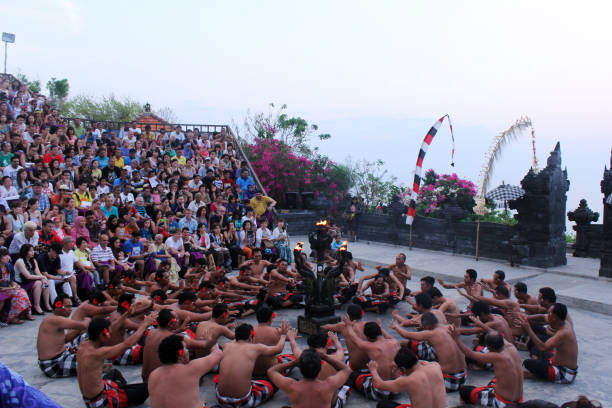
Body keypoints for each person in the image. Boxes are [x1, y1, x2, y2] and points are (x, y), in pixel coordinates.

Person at [76, 316, 154, 408]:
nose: (110, 336)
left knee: (115, 373)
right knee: (146, 388)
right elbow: (127, 344)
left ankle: (125, 392)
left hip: (89, 398)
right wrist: (144, 325)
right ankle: (125, 397)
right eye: (108, 334)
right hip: (100, 401)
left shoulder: (83, 344)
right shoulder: (98, 353)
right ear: (101, 335)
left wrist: (127, 313)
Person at [215, 321, 289, 407]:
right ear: (250, 337)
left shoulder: (226, 346)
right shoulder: (255, 348)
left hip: (220, 399)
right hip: (242, 402)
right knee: (273, 383)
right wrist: (283, 335)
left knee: (221, 378)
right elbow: (278, 349)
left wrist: (239, 332)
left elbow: (237, 339)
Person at [390, 312, 467, 391]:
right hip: (463, 377)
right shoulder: (449, 327)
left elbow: (406, 334)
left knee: (416, 366)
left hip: (449, 381)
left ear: (427, 326)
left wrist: (396, 326)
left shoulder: (431, 333)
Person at [452, 329, 524, 407]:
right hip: (519, 399)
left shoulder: (496, 356)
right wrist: (480, 324)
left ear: (489, 347)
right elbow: (495, 333)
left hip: (502, 402)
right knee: (496, 379)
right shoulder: (512, 347)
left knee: (464, 391)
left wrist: (456, 338)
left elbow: (470, 354)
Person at [148, 335, 224, 408]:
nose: (188, 351)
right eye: (186, 348)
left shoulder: (153, 375)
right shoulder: (191, 369)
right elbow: (218, 354)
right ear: (179, 356)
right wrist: (213, 343)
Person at [268, 347, 352, 408]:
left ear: (300, 367)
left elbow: (271, 371)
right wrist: (325, 357)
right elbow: (346, 369)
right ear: (319, 367)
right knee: (345, 388)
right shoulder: (328, 385)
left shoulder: (291, 385)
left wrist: (292, 363)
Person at [519, 303, 578, 384]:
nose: (547, 315)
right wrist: (527, 317)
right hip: (555, 362)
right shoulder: (561, 322)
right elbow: (543, 317)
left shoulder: (564, 333)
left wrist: (528, 329)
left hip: (564, 373)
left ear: (554, 318)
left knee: (528, 363)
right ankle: (540, 369)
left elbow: (542, 348)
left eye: (549, 313)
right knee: (536, 344)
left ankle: (537, 374)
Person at [370, 347, 446, 408]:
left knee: (383, 405)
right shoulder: (435, 366)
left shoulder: (408, 381)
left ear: (403, 369)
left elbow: (379, 384)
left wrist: (373, 370)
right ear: (415, 357)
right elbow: (421, 362)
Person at [344, 319, 401, 401]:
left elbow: (354, 339)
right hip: (398, 388)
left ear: (367, 337)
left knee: (351, 372)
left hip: (380, 393)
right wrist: (380, 327)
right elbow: (388, 337)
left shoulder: (370, 347)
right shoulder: (395, 342)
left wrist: (348, 326)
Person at [36, 294, 88, 378]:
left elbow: (64, 340)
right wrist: (88, 318)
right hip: (53, 364)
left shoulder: (55, 319)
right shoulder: (55, 319)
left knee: (86, 347)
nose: (70, 310)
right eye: (67, 306)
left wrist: (79, 330)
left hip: (58, 358)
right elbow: (83, 325)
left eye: (71, 307)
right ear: (58, 305)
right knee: (91, 361)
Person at [14, 243, 51, 315]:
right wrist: (42, 277)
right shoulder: (20, 261)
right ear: (25, 252)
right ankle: (36, 306)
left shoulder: (33, 260)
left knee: (45, 282)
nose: (32, 252)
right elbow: (28, 276)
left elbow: (38, 273)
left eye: (33, 250)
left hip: (31, 281)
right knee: (38, 283)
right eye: (30, 251)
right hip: (22, 283)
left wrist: (43, 279)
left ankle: (47, 304)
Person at [0, 247, 32, 324]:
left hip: (7, 288)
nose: (8, 257)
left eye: (8, 255)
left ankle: (19, 315)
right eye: (5, 255)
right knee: (3, 296)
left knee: (21, 291)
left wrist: (15, 285)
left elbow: (11, 280)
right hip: (2, 289)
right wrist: (6, 288)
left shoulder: (8, 266)